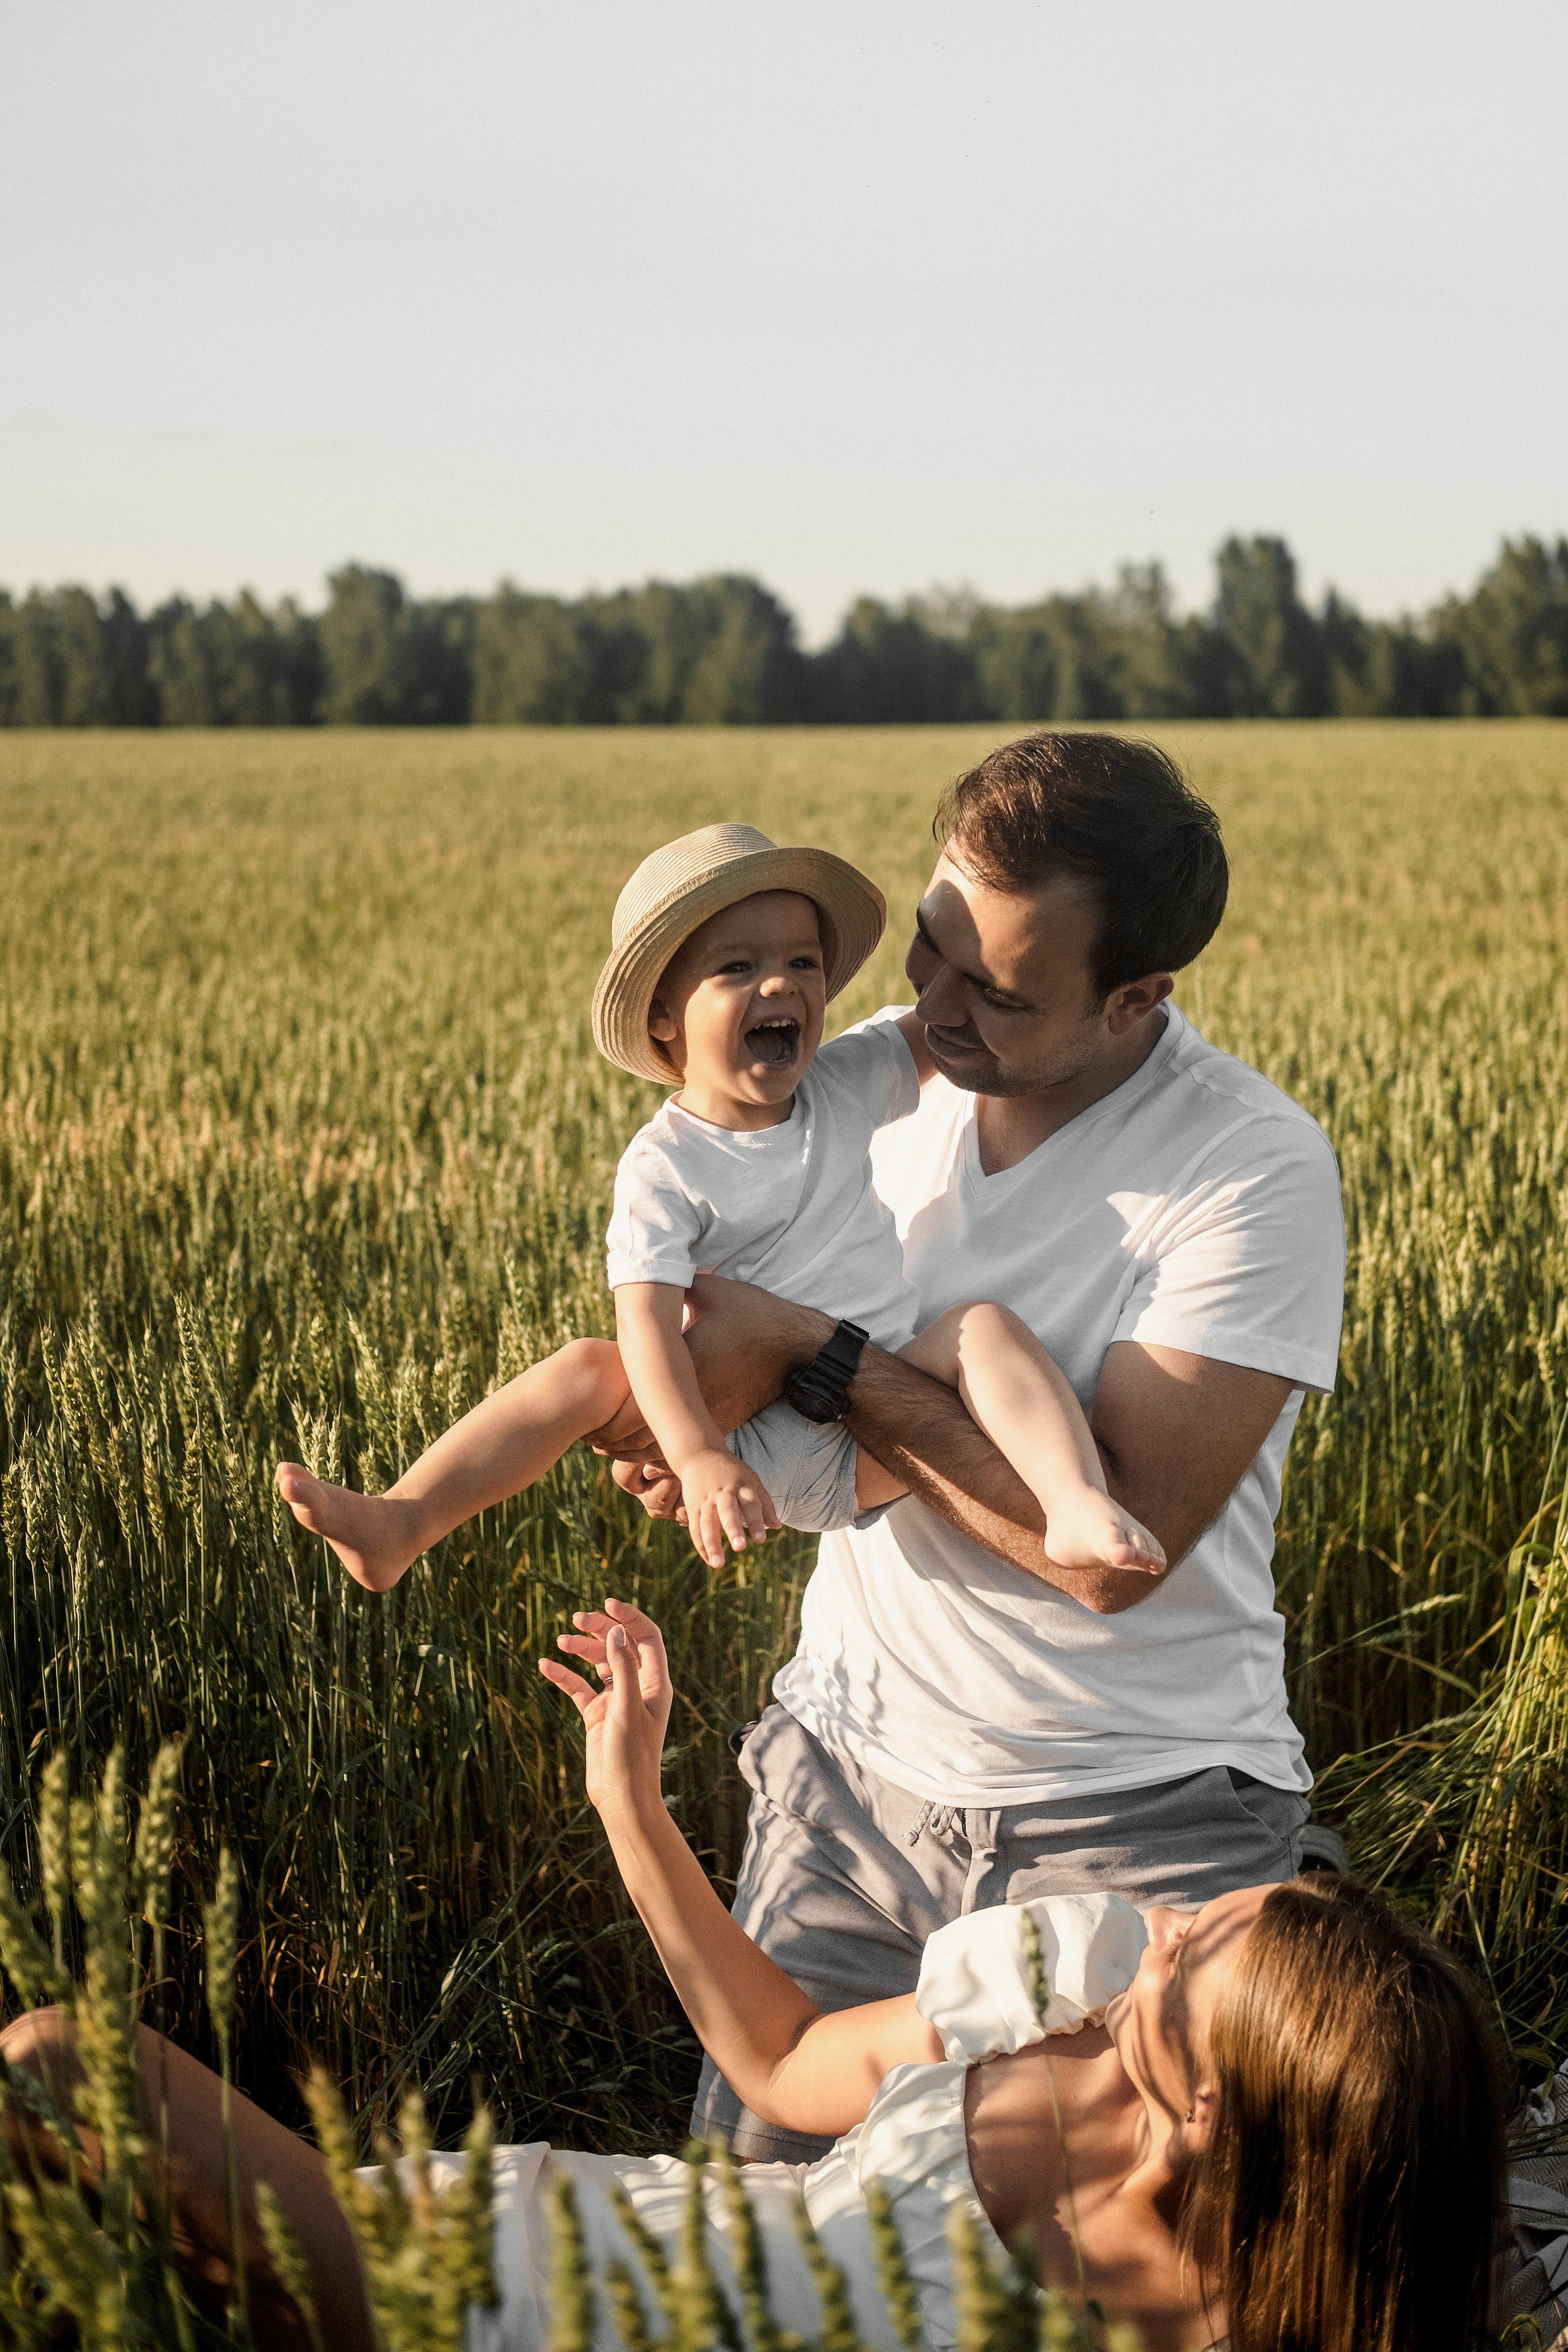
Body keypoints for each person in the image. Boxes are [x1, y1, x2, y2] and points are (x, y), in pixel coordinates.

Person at [0, 1599, 1511, 2352]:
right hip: (533, 2230)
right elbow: (782, 2063)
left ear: (1218, 2125)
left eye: (1190, 1960)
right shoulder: (1071, 1982)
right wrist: (631, 1804)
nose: (1160, 1926)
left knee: (64, 2066)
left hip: (492, 2324)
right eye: (1211, 1913)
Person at [590, 735, 1349, 2162]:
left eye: (991, 992)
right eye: (925, 953)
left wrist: (816, 1358)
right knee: (758, 2261)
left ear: (1137, 996)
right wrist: (696, 1428)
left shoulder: (1246, 1170)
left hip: (1137, 1816)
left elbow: (1111, 1558)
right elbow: (702, 1314)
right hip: (840, 1784)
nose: (926, 1012)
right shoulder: (858, 1086)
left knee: (1090, 2287)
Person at [273, 821, 1162, 1585]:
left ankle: (1074, 1499)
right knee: (589, 1368)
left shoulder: (845, 1079)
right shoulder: (665, 1167)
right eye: (737, 967)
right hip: (750, 1447)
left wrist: (1085, 992)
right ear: (663, 1017)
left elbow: (949, 1028)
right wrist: (696, 1454)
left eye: (802, 962)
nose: (780, 985)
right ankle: (405, 1522)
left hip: (890, 1419)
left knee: (981, 1331)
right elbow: (649, 1327)